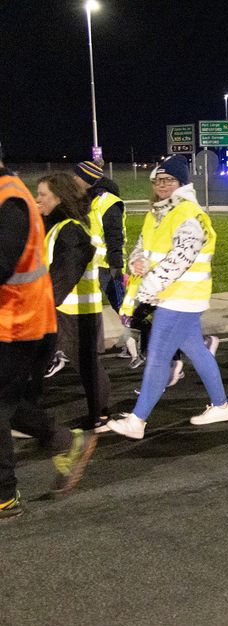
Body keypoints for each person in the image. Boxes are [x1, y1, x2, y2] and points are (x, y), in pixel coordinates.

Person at [105, 155, 228, 439]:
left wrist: (148, 289)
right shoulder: (158, 213)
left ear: (181, 183)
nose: (162, 185)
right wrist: (136, 260)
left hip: (180, 297)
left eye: (169, 180)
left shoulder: (188, 213)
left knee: (158, 358)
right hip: (175, 297)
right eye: (158, 180)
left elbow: (181, 258)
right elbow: (142, 245)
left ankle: (137, 421)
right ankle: (221, 405)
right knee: (197, 352)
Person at [1, 159, 96, 518]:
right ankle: (63, 440)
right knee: (6, 403)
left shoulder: (11, 202)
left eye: (46, 195)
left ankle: (5, 496)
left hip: (22, 323)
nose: (40, 199)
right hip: (20, 319)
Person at [36, 173, 111, 432]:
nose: (38, 199)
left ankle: (100, 415)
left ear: (58, 197)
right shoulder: (63, 225)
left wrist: (44, 303)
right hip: (67, 307)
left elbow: (66, 271)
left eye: (43, 195)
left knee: (86, 363)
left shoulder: (70, 229)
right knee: (81, 361)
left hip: (74, 308)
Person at [73, 161, 126, 318]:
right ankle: (131, 339)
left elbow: (114, 236)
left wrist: (116, 266)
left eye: (77, 176)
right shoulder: (87, 200)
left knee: (122, 308)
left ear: (86, 179)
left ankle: (143, 336)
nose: (73, 179)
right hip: (90, 263)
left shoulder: (107, 202)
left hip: (107, 266)